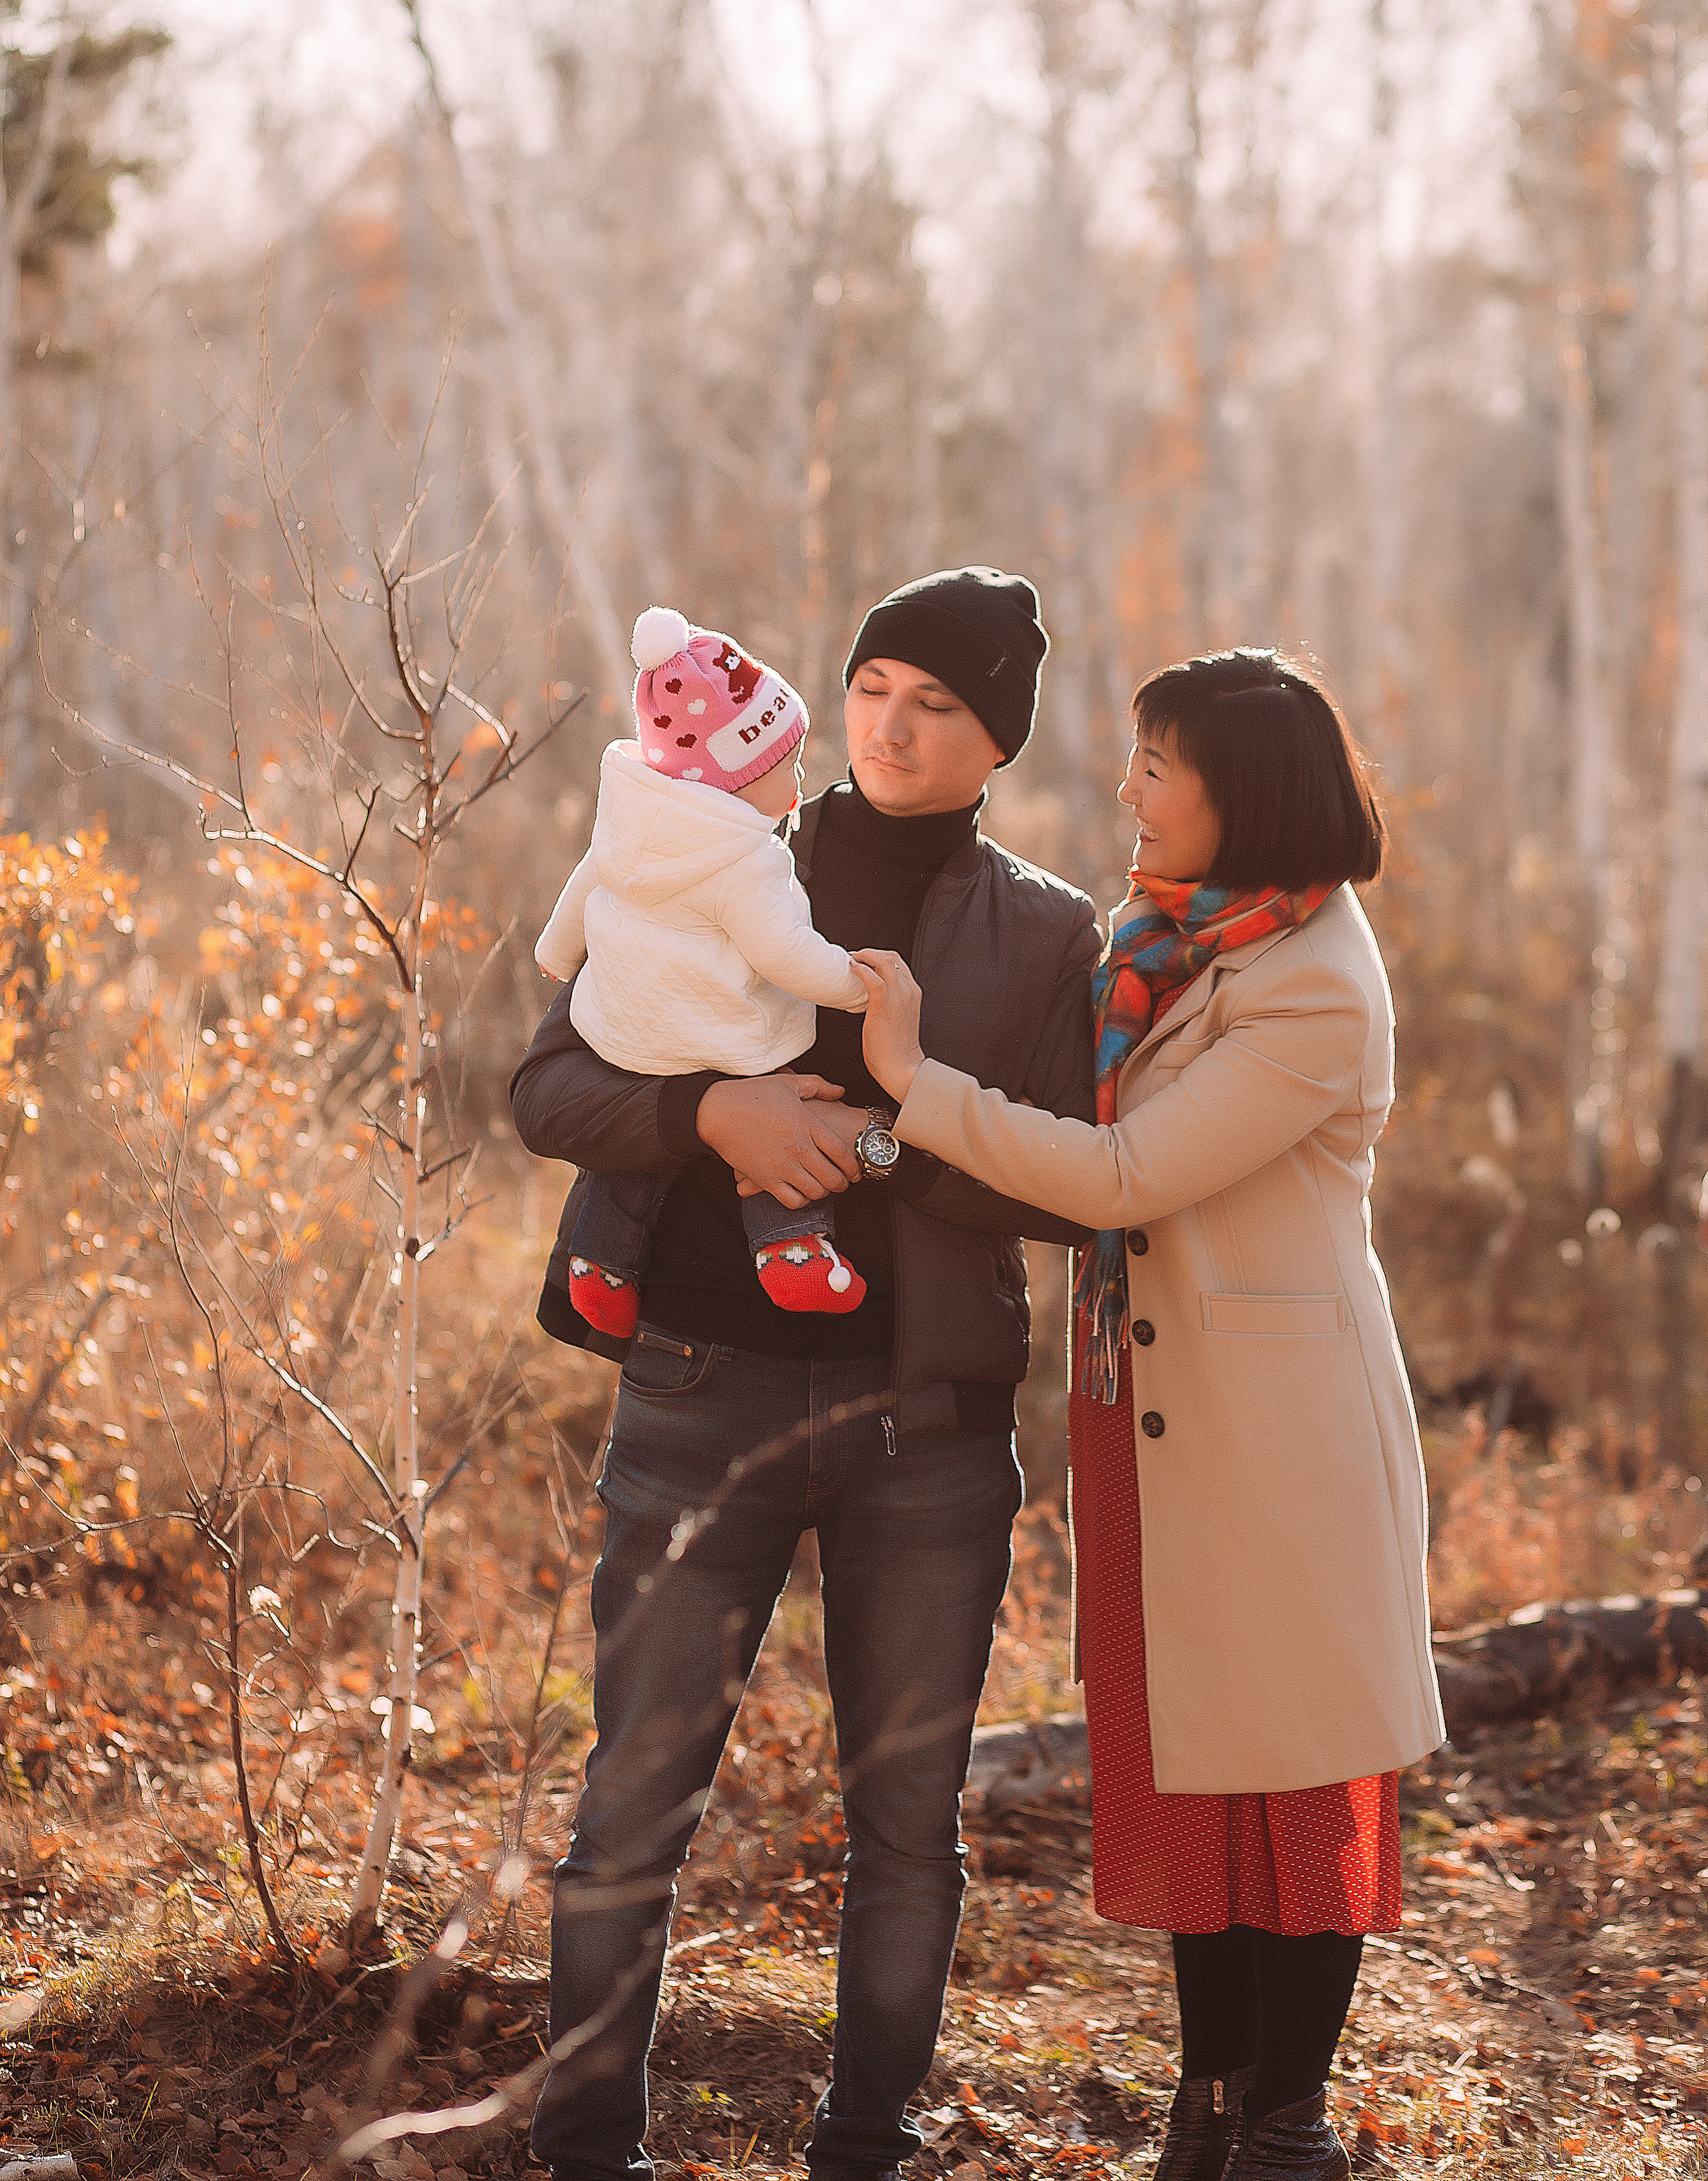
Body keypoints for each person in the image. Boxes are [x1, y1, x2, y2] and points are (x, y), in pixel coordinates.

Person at [511, 566, 1102, 2181]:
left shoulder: (1047, 931)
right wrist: (710, 1114)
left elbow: (1070, 1181)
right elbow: (546, 1078)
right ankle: (585, 2149)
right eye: (871, 688)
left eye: (938, 705)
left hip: (926, 1430)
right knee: (633, 1798)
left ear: (997, 744)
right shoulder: (714, 835)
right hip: (701, 1388)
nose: (891, 727)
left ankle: (864, 2144)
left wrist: (887, 1137)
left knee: (907, 1821)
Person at [853, 648, 1445, 2181]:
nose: (1128, 790)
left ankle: (1283, 2123)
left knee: (1294, 1767)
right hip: (1156, 1406)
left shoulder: (1310, 979)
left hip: (1276, 1430)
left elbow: (1123, 1177)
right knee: (1192, 1756)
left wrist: (910, 1082)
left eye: (1154, 767)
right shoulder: (1173, 942)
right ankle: (1210, 2102)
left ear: (1234, 797)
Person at [535, 605, 873, 1333]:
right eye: (785, 770)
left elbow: (583, 889)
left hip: (624, 1032)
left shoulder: (632, 820)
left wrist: (556, 958)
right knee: (771, 1107)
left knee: (639, 1148)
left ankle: (600, 1262)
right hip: (716, 1034)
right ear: (732, 777)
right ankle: (792, 1249)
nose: (796, 787)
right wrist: (853, 986)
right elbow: (783, 952)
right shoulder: (746, 858)